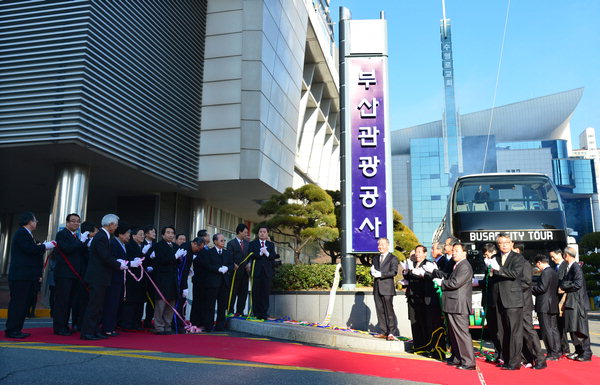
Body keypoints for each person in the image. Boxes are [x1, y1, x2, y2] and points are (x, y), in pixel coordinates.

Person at [5, 212, 56, 338]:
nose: (36, 222)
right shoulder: (22, 233)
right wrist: (46, 246)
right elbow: (30, 250)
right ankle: (12, 330)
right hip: (21, 276)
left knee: (23, 303)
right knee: (19, 303)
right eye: (35, 220)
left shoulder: (27, 234)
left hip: (26, 276)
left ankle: (16, 329)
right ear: (29, 221)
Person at [80, 214, 128, 340]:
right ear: (111, 224)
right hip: (97, 277)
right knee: (94, 306)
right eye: (116, 224)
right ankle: (87, 332)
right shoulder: (101, 237)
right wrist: (119, 264)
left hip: (102, 277)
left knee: (99, 306)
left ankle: (95, 330)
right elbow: (105, 257)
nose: (116, 227)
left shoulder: (104, 236)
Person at [433, 242, 476, 370]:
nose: (454, 253)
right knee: (454, 334)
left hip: (459, 305)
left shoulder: (465, 266)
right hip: (453, 304)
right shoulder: (457, 265)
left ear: (464, 252)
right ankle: (458, 357)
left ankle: (469, 362)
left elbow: (455, 283)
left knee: (462, 334)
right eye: (453, 250)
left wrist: (442, 282)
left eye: (457, 250)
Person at [486, 233, 524, 370]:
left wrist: (498, 269)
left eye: (506, 242)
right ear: (498, 245)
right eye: (501, 243)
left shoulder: (518, 258)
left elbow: (514, 274)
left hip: (513, 300)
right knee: (501, 332)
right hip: (498, 300)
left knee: (514, 332)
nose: (504, 245)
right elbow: (492, 278)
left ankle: (515, 362)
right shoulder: (495, 258)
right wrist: (490, 271)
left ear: (511, 243)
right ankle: (505, 359)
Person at [53, 213, 87, 336]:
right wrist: (80, 242)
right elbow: (67, 249)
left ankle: (65, 325)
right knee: (62, 301)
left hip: (74, 275)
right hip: (64, 274)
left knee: (70, 301)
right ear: (67, 222)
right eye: (73, 221)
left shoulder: (76, 237)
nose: (76, 223)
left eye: (78, 221)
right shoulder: (62, 234)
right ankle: (59, 327)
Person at [403, 245, 440, 352]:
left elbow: (430, 277)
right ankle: (417, 346)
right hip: (412, 297)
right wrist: (406, 271)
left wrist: (420, 274)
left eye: (419, 252)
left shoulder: (428, 264)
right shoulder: (413, 263)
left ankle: (427, 346)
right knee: (414, 322)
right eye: (416, 252)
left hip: (422, 298)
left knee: (424, 323)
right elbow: (408, 277)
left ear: (425, 253)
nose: (417, 254)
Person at [559, 247, 593, 361]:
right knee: (573, 328)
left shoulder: (576, 267)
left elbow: (578, 284)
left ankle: (586, 353)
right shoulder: (569, 267)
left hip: (578, 303)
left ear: (566, 255)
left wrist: (564, 286)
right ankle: (578, 351)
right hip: (572, 302)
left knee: (581, 329)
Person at [152, 225, 183, 335]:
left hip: (173, 278)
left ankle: (167, 325)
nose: (170, 235)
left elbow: (178, 262)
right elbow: (161, 260)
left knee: (171, 303)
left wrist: (179, 258)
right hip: (162, 278)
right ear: (163, 234)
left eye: (172, 233)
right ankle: (159, 327)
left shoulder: (175, 246)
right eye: (168, 232)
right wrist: (175, 257)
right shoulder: (158, 246)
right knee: (161, 303)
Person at [200, 233, 234, 331]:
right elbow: (207, 265)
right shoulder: (209, 252)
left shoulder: (227, 253)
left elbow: (232, 265)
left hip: (224, 282)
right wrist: (218, 269)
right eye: (221, 240)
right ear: (215, 241)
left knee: (222, 306)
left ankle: (220, 325)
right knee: (210, 305)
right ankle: (209, 325)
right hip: (212, 282)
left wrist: (227, 267)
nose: (223, 242)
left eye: (224, 240)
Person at [519, 252, 547, 369]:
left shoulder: (524, 264)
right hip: (513, 304)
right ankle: (527, 358)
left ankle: (539, 358)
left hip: (524, 303)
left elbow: (526, 283)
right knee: (519, 333)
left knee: (528, 331)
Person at [532, 254, 561, 361]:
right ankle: (557, 351)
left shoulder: (545, 272)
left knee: (546, 330)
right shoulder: (553, 271)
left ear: (539, 262)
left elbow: (542, 288)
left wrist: (530, 289)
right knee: (553, 329)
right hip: (553, 304)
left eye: (537, 265)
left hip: (544, 305)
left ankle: (551, 352)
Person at [371, 237, 399, 341]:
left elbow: (393, 272)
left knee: (389, 311)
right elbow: (374, 270)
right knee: (380, 310)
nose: (380, 246)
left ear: (388, 245)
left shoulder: (393, 258)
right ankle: (383, 331)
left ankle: (391, 332)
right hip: (377, 288)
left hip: (387, 288)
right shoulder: (375, 258)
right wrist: (372, 272)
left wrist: (381, 274)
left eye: (382, 244)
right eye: (379, 244)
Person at [71, 221, 98, 331]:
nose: (97, 233)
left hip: (89, 276)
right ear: (89, 232)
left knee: (86, 301)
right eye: (96, 231)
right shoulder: (82, 242)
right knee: (79, 301)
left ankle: (82, 322)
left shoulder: (92, 242)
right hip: (81, 275)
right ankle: (77, 323)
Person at [248, 226, 278, 320]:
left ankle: (264, 313)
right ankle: (256, 313)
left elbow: (273, 256)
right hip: (256, 271)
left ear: (267, 234)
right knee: (256, 292)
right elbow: (250, 254)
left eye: (264, 232)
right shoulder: (253, 243)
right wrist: (259, 254)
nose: (262, 233)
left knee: (265, 293)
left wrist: (267, 253)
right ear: (258, 233)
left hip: (267, 272)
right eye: (260, 232)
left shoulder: (270, 244)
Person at [122, 226, 147, 331]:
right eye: (140, 234)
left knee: (140, 301)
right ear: (134, 236)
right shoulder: (129, 246)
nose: (143, 236)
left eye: (143, 234)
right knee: (131, 301)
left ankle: (137, 322)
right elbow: (127, 260)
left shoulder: (143, 246)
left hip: (142, 278)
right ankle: (127, 323)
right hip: (132, 277)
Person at [550, 248, 570, 356]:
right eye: (551, 257)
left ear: (560, 254)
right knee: (558, 325)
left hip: (564, 300)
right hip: (556, 300)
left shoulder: (566, 266)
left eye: (554, 256)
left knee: (563, 325)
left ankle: (565, 349)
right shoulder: (555, 267)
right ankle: (563, 348)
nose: (552, 259)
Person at [227, 224, 250, 316]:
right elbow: (228, 256)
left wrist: (249, 263)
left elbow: (250, 256)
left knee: (243, 293)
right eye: (245, 232)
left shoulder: (248, 244)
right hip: (235, 272)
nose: (246, 234)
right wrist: (233, 264)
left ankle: (240, 311)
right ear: (240, 231)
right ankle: (230, 311)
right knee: (233, 292)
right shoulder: (231, 243)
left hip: (245, 272)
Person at [189, 237, 207, 327]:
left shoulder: (205, 252)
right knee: (196, 301)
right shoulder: (192, 251)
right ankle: (194, 321)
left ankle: (200, 321)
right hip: (197, 280)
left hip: (204, 280)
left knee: (202, 302)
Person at [141, 225, 157, 329]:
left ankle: (148, 320)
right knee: (140, 298)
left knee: (152, 299)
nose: (154, 233)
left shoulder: (156, 245)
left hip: (153, 275)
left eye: (155, 232)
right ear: (146, 234)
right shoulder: (141, 244)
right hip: (142, 275)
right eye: (152, 231)